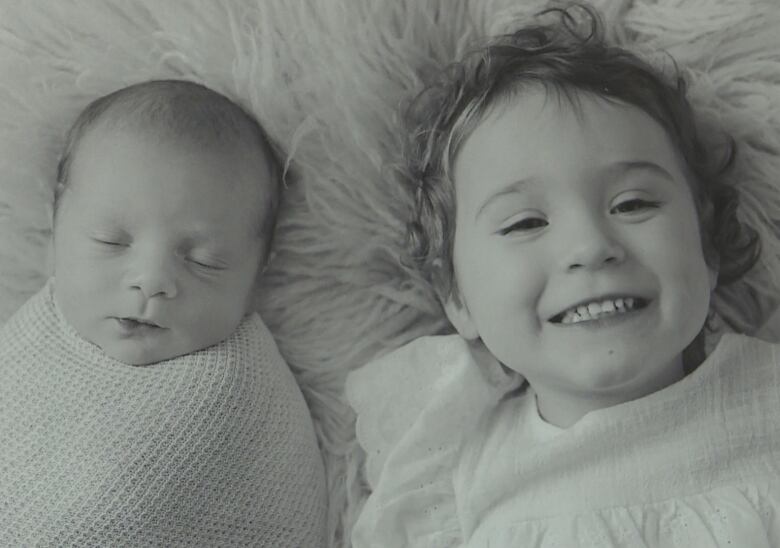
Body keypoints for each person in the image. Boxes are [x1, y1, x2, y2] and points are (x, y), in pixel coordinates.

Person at [348, 6, 780, 547]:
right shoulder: (449, 477)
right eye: (526, 222)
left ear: (708, 249)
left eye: (633, 203)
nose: (591, 247)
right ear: (456, 297)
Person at [0, 79, 327, 546]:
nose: (150, 280)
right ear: (56, 228)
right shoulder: (42, 325)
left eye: (204, 261)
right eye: (111, 241)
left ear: (258, 272)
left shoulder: (227, 391)